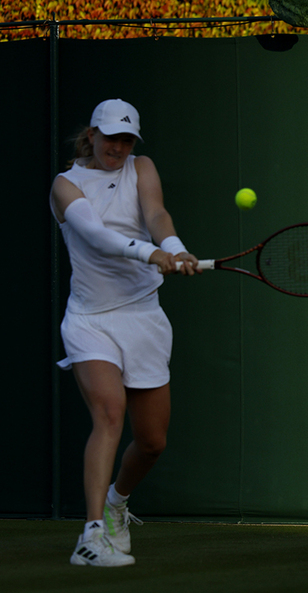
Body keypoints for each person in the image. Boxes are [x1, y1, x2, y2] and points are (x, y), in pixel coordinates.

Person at [50, 99, 200, 566]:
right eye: (110, 136)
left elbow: (155, 214)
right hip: (91, 319)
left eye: (126, 139)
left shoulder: (143, 168)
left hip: (143, 317)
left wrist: (174, 247)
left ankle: (117, 503)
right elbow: (96, 236)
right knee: (109, 414)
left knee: (153, 441)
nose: (117, 146)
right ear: (91, 135)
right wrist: (150, 255)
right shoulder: (66, 185)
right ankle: (91, 538)